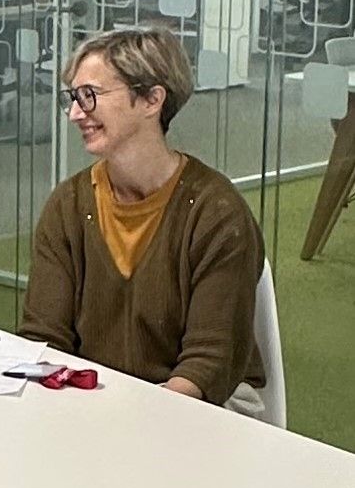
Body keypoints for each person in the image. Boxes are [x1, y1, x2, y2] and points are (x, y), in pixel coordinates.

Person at [19, 26, 266, 410]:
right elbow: (43, 339)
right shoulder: (68, 204)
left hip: (203, 404)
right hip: (98, 395)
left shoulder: (216, 213)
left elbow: (208, 363)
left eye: (90, 96)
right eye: (73, 97)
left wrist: (135, 427)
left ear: (152, 99)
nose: (74, 113)